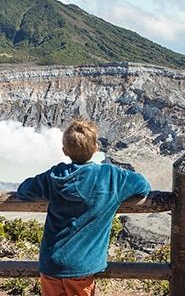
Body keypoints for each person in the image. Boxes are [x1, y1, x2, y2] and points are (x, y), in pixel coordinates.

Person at [17, 118, 151, 296]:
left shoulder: (54, 176)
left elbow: (24, 190)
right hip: (82, 267)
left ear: (65, 151)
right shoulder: (110, 176)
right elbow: (143, 185)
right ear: (96, 148)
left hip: (51, 264)